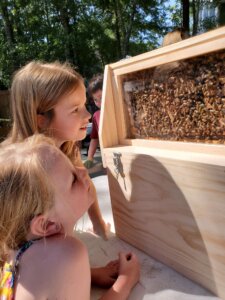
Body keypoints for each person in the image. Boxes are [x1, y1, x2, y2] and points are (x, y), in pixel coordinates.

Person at [0, 134, 140, 299]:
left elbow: (44, 280)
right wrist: (126, 280)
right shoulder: (68, 253)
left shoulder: (12, 246)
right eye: (73, 179)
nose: (83, 171)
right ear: (46, 225)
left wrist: (91, 274)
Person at [4, 61, 109, 240]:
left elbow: (87, 187)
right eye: (76, 110)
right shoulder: (23, 171)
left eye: (85, 105)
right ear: (41, 120)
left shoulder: (68, 149)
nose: (88, 115)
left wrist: (99, 225)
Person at [84, 74, 103, 169]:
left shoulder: (121, 110)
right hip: (107, 158)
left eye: (101, 97)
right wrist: (90, 158)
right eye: (95, 99)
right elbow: (95, 138)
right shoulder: (96, 116)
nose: (99, 103)